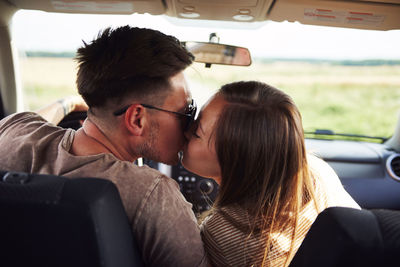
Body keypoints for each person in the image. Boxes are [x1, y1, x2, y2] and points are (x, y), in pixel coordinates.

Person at [0, 26, 208, 267]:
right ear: (136, 119)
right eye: (185, 112)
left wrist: (66, 104)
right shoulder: (153, 194)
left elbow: (28, 121)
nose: (191, 126)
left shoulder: (12, 131)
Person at [182, 81, 360, 267]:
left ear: (235, 157)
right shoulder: (316, 171)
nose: (187, 131)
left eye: (197, 132)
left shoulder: (221, 232)